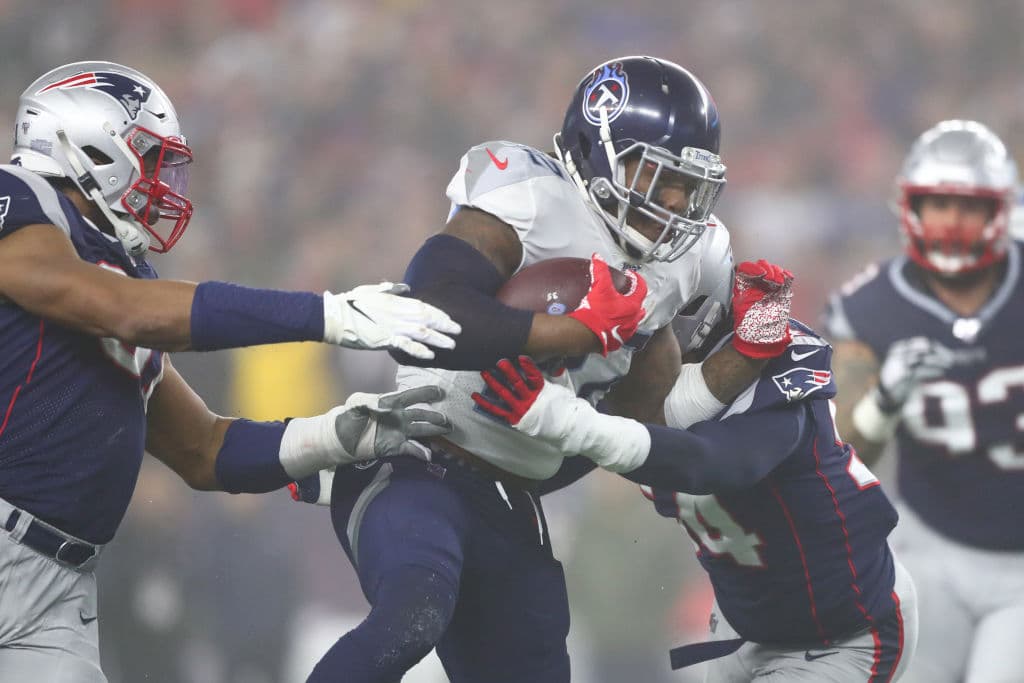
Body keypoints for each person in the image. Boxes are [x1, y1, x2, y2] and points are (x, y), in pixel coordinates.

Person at [301, 56, 794, 683]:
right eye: (656, 177)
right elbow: (423, 320)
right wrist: (569, 331)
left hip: (516, 493)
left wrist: (748, 351)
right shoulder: (529, 200)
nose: (674, 204)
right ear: (598, 151)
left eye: (687, 186)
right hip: (417, 461)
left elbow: (665, 414)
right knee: (412, 615)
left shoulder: (698, 257)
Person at [0, 60, 466, 683]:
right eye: (149, 157)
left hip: (62, 590)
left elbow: (204, 449)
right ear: (88, 145)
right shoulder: (21, 202)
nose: (162, 181)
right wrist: (327, 313)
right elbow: (122, 312)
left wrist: (330, 436)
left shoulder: (123, 273)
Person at [474, 256, 918, 682]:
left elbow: (711, 463)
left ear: (690, 330)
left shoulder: (773, 381)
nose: (615, 359)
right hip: (742, 623)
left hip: (845, 627)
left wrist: (567, 422)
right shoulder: (635, 395)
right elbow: (536, 476)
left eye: (633, 340)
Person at [823, 119, 1024, 683]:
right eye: (938, 205)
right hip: (928, 547)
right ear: (911, 207)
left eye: (969, 207)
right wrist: (886, 398)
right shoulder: (873, 307)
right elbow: (841, 452)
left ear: (1001, 211)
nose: (953, 224)